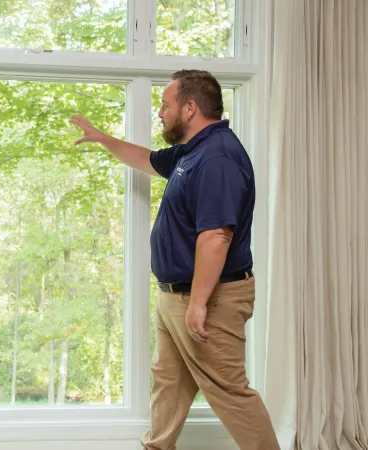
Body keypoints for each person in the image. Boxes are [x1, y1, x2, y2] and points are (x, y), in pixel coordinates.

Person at [70, 70, 280, 450]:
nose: (160, 113)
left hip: (208, 298)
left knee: (229, 393)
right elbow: (145, 158)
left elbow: (217, 236)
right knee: (168, 383)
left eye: (165, 105)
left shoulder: (218, 157)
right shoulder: (192, 150)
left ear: (190, 108)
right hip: (176, 296)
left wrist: (198, 303)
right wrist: (102, 139)